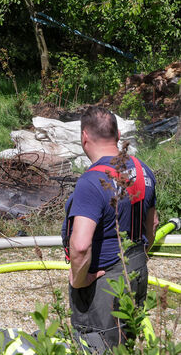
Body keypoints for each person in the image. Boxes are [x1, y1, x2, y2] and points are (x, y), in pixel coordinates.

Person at [63, 106, 157, 352]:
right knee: (128, 342)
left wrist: (79, 280)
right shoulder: (143, 171)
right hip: (136, 274)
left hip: (103, 287)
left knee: (97, 346)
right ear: (118, 135)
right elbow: (152, 225)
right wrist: (138, 260)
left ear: (84, 136)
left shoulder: (91, 182)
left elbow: (80, 246)